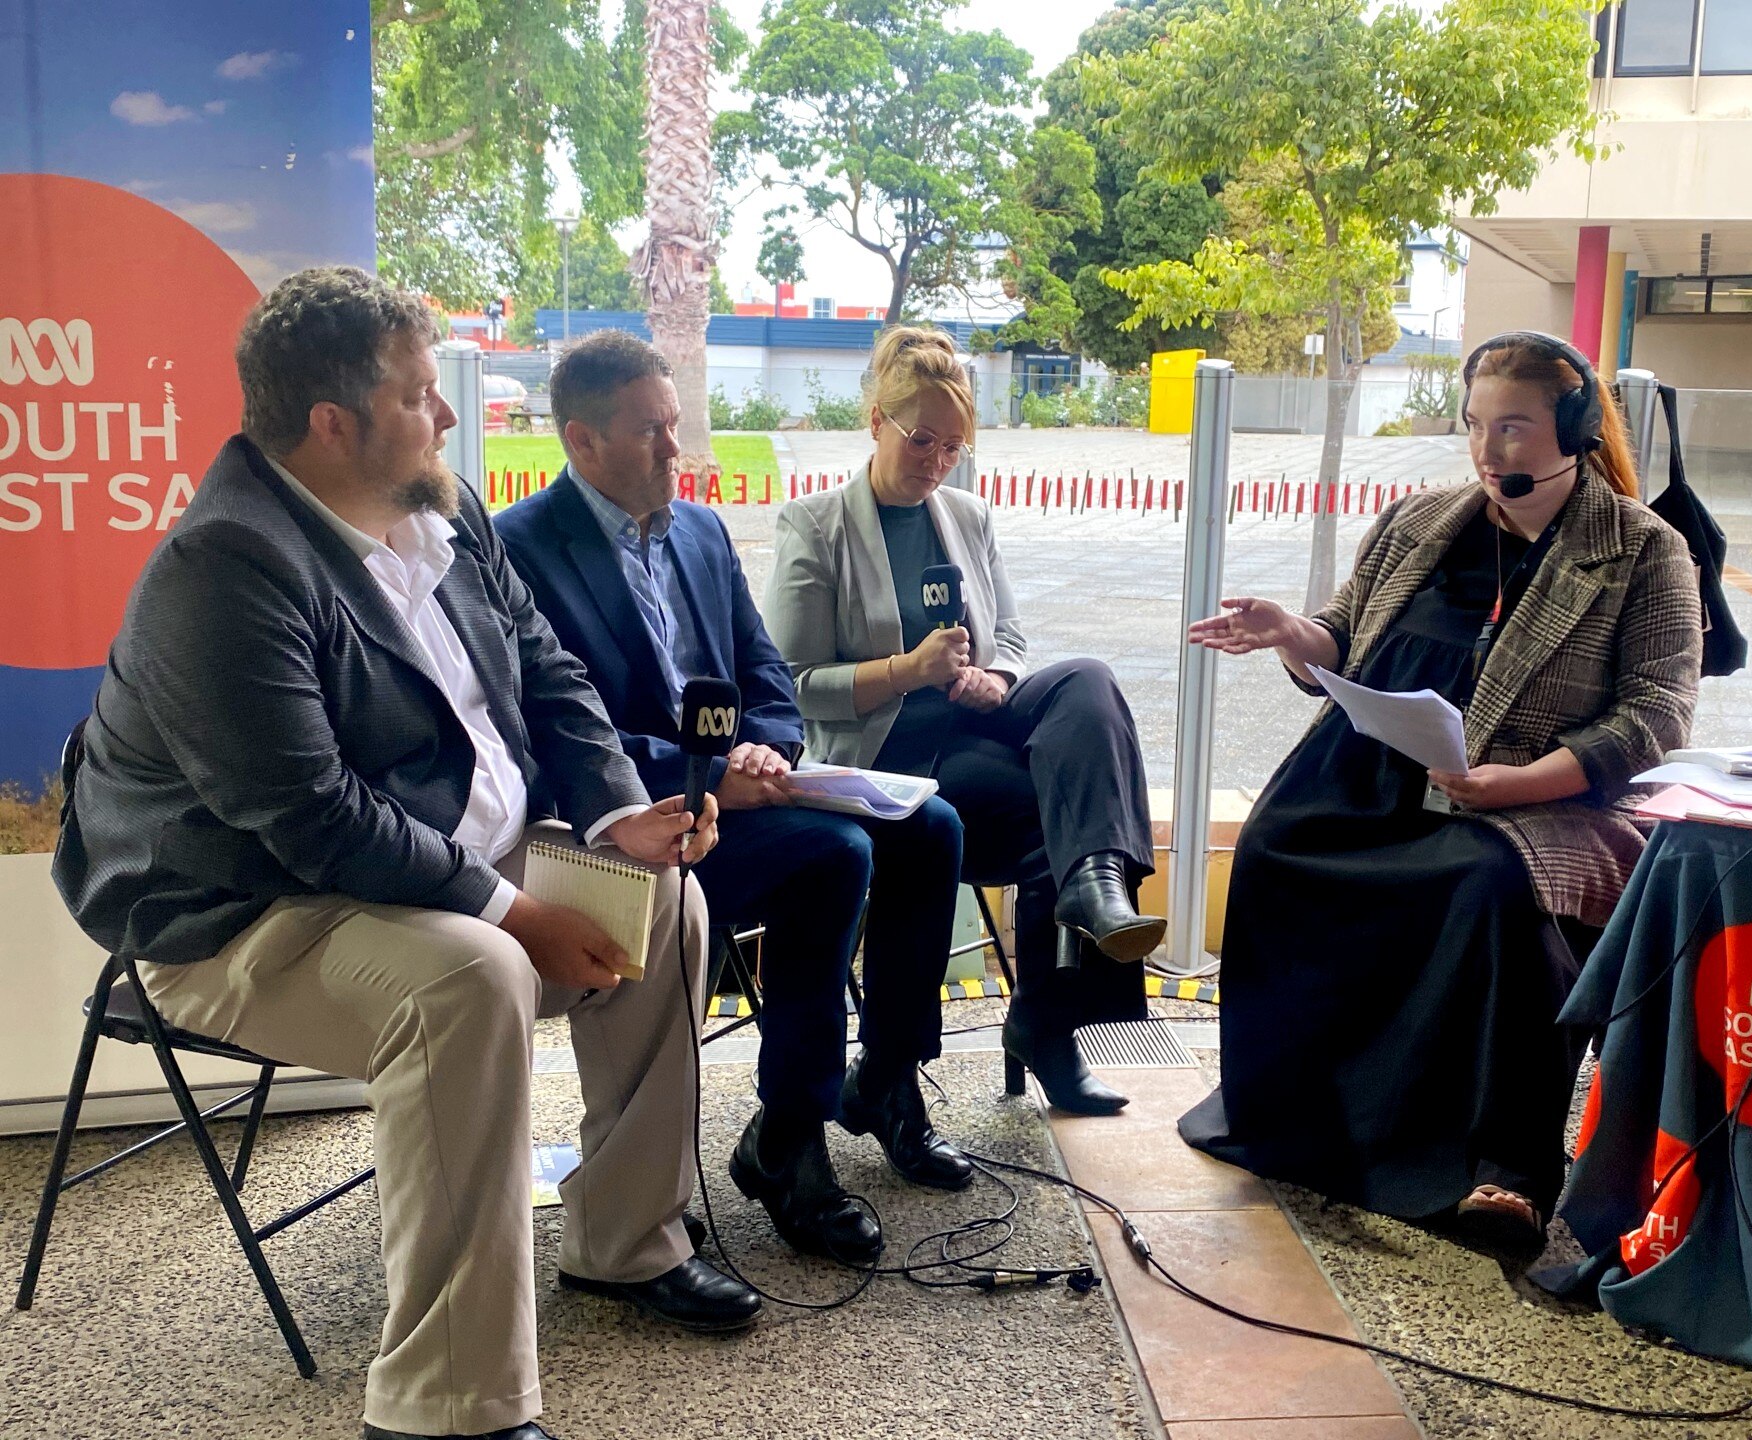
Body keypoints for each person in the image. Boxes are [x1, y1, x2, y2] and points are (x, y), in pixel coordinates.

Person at [52, 268, 754, 1440]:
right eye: (421, 394)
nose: (445, 414)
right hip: (240, 912)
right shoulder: (224, 569)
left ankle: (628, 1244)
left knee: (662, 901)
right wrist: (514, 913)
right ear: (333, 424)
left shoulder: (444, 505)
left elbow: (548, 674)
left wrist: (619, 811)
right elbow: (312, 816)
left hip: (437, 863)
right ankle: (446, 1403)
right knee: (466, 979)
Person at [1178, 331, 1702, 1251]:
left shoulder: (1643, 551)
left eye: (1514, 428)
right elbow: (1344, 636)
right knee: (1271, 850)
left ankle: (1507, 1169)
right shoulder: (1419, 521)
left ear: (1574, 429)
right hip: (1365, 767)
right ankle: (1302, 1122)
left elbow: (1657, 715)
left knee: (1485, 890)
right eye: (1475, 426)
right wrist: (1290, 632)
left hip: (1541, 797)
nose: (1488, 450)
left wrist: (1521, 782)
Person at [496, 331, 972, 1267]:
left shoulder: (703, 532)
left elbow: (766, 672)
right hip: (630, 830)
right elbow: (542, 735)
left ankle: (886, 1077)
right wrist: (709, 779)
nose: (678, 451)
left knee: (931, 825)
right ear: (581, 441)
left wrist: (767, 747)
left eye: (675, 427)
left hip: (740, 791)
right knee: (835, 856)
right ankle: (789, 1135)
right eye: (649, 433)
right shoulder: (519, 551)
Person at [763, 326, 1162, 1116]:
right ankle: (1045, 1029)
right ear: (876, 420)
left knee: (1089, 680)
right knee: (1064, 821)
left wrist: (996, 676)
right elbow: (793, 684)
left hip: (975, 727)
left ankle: (1096, 886)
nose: (937, 463)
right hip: (888, 758)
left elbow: (1009, 633)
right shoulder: (816, 526)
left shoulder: (968, 515)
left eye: (953, 448)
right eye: (922, 440)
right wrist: (906, 670)